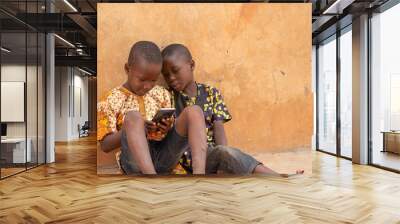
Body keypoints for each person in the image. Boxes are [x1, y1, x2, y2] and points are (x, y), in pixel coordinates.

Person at [161, 43, 304, 177]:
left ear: (191, 65)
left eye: (175, 71)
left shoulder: (211, 93)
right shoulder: (166, 97)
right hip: (179, 158)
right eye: (166, 75)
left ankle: (279, 177)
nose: (171, 78)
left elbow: (219, 133)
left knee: (228, 152)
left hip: (209, 156)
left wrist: (224, 161)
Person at [97, 41, 208, 175]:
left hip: (164, 158)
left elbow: (170, 133)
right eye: (142, 79)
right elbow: (105, 145)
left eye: (153, 80)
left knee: (194, 111)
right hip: (134, 163)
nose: (147, 86)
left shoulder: (161, 94)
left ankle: (199, 175)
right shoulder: (110, 99)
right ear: (127, 69)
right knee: (133, 117)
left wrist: (166, 127)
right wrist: (132, 128)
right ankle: (151, 179)